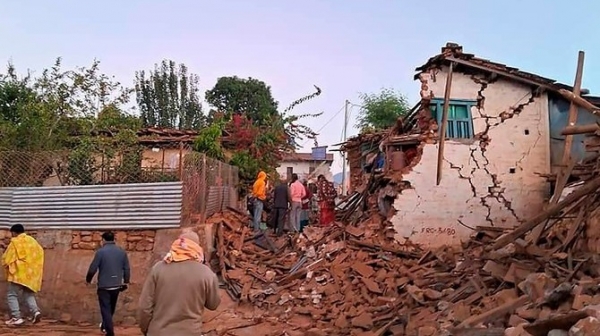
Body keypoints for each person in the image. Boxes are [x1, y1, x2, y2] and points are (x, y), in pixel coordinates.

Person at [138, 231, 220, 335]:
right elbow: (213, 304)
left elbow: (144, 307)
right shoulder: (207, 273)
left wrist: (146, 329)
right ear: (197, 247)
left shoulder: (158, 268)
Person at [86, 232, 130, 336]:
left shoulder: (100, 252)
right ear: (114, 240)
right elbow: (126, 268)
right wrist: (126, 281)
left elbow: (93, 268)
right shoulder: (121, 252)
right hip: (116, 285)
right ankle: (105, 326)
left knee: (105, 308)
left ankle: (110, 331)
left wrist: (88, 279)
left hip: (104, 286)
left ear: (104, 240)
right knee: (111, 308)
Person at [2, 224, 44, 326]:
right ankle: (35, 312)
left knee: (12, 294)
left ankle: (17, 317)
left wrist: (5, 262)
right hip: (32, 274)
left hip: (19, 274)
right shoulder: (32, 241)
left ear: (14, 232)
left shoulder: (15, 242)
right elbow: (40, 253)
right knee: (28, 293)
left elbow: (7, 259)